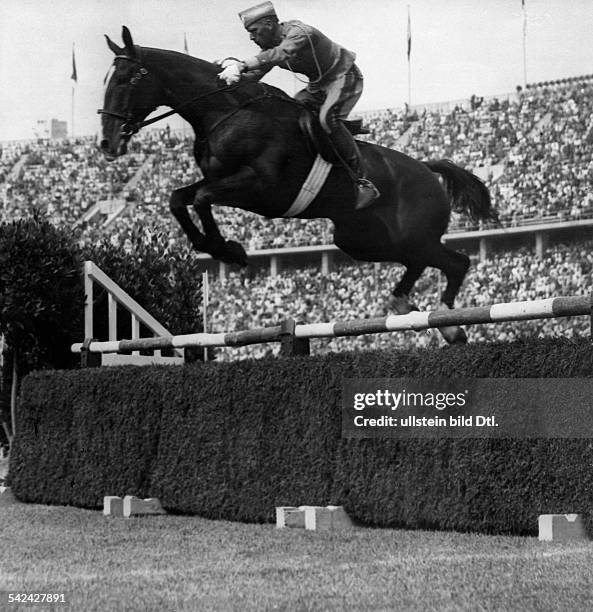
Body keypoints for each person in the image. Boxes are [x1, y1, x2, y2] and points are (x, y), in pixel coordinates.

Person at [217, 1, 380, 210]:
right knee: (293, 115)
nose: (251, 37)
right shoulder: (270, 47)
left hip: (344, 76)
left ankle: (363, 182)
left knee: (326, 119)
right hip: (318, 85)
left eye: (254, 31)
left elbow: (281, 54)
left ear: (268, 24)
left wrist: (241, 65)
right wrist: (230, 76)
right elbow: (257, 73)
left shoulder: (300, 32)